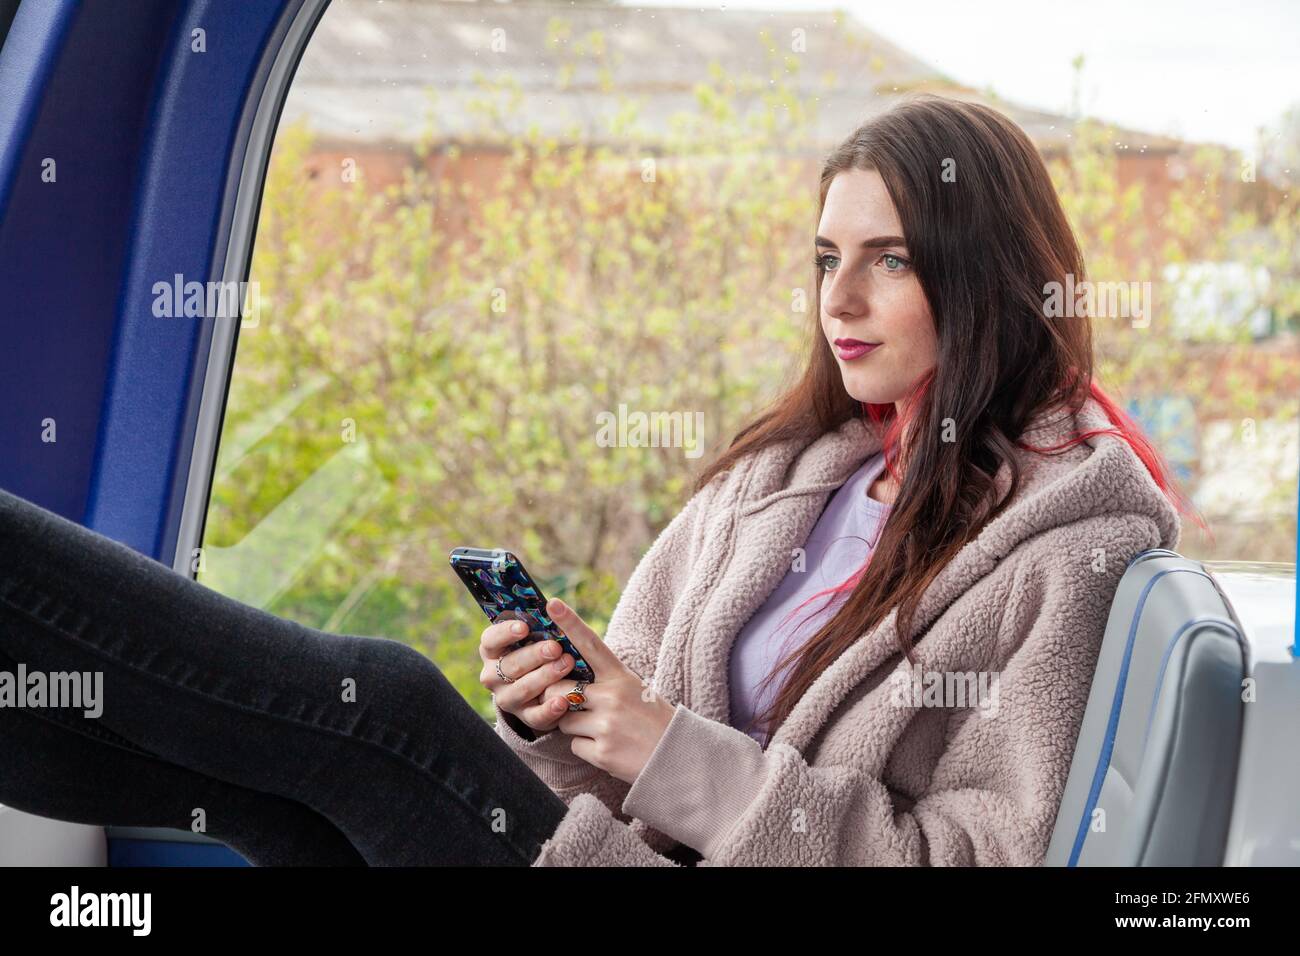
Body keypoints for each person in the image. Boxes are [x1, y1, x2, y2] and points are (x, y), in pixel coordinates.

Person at [0, 93, 1195, 867]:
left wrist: (659, 744)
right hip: (591, 844)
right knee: (275, 798)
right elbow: (608, 746)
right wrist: (561, 710)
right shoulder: (783, 476)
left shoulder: (1064, 546)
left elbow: (974, 855)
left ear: (986, 274)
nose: (837, 300)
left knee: (387, 706)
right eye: (826, 257)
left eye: (890, 260)